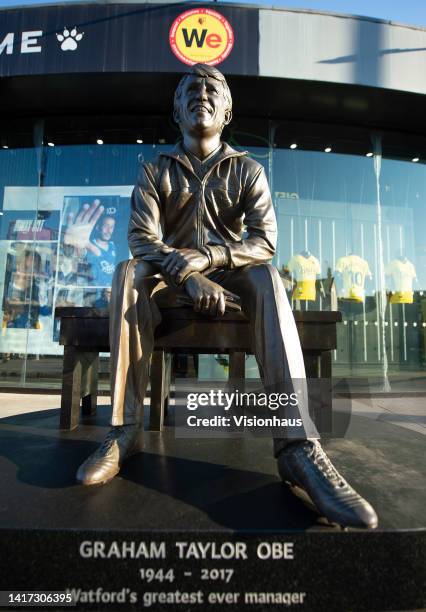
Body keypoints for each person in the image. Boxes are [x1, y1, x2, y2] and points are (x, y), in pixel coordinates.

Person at [76, 64, 378, 529]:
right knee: (129, 270)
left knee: (267, 278)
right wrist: (188, 276)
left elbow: (264, 243)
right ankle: (124, 427)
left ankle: (298, 446)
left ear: (228, 110)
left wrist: (208, 260)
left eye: (212, 88)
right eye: (191, 90)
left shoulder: (248, 170)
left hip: (231, 281)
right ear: (175, 109)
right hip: (166, 285)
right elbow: (141, 239)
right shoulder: (155, 169)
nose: (202, 94)